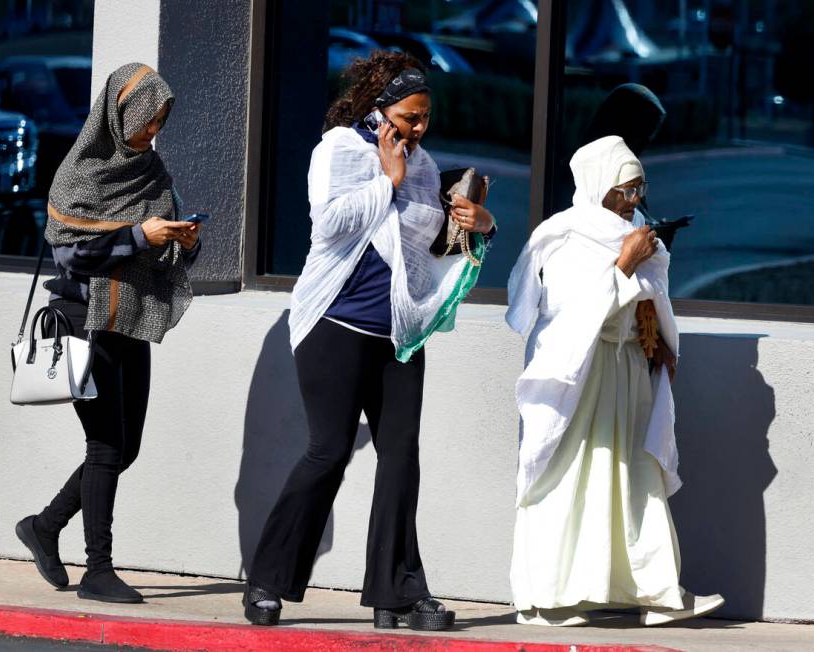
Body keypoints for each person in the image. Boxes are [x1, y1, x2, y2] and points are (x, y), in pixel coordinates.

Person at [242, 51, 495, 631]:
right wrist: (388, 178)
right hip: (334, 324)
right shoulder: (338, 149)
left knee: (401, 459)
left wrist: (477, 225)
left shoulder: (426, 166)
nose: (419, 127)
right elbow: (329, 224)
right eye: (410, 115)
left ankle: (397, 595)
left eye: (426, 116)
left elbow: (427, 250)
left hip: (399, 334)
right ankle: (267, 581)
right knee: (328, 451)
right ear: (380, 109)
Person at [505, 136, 723, 627]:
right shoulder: (565, 233)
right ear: (600, 186)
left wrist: (658, 338)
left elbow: (649, 294)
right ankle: (546, 599)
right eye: (625, 190)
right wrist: (624, 262)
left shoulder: (636, 229)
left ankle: (658, 592)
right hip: (578, 375)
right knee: (567, 479)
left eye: (639, 189)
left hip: (627, 367)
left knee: (633, 478)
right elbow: (567, 312)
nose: (633, 201)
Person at [15, 62, 201, 604]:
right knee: (105, 445)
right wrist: (139, 236)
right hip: (82, 319)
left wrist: (184, 244)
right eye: (148, 120)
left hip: (130, 319)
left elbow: (161, 246)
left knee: (128, 447)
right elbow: (71, 252)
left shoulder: (153, 171)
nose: (153, 132)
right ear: (119, 115)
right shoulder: (78, 174)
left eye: (161, 121)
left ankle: (45, 527)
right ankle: (98, 569)